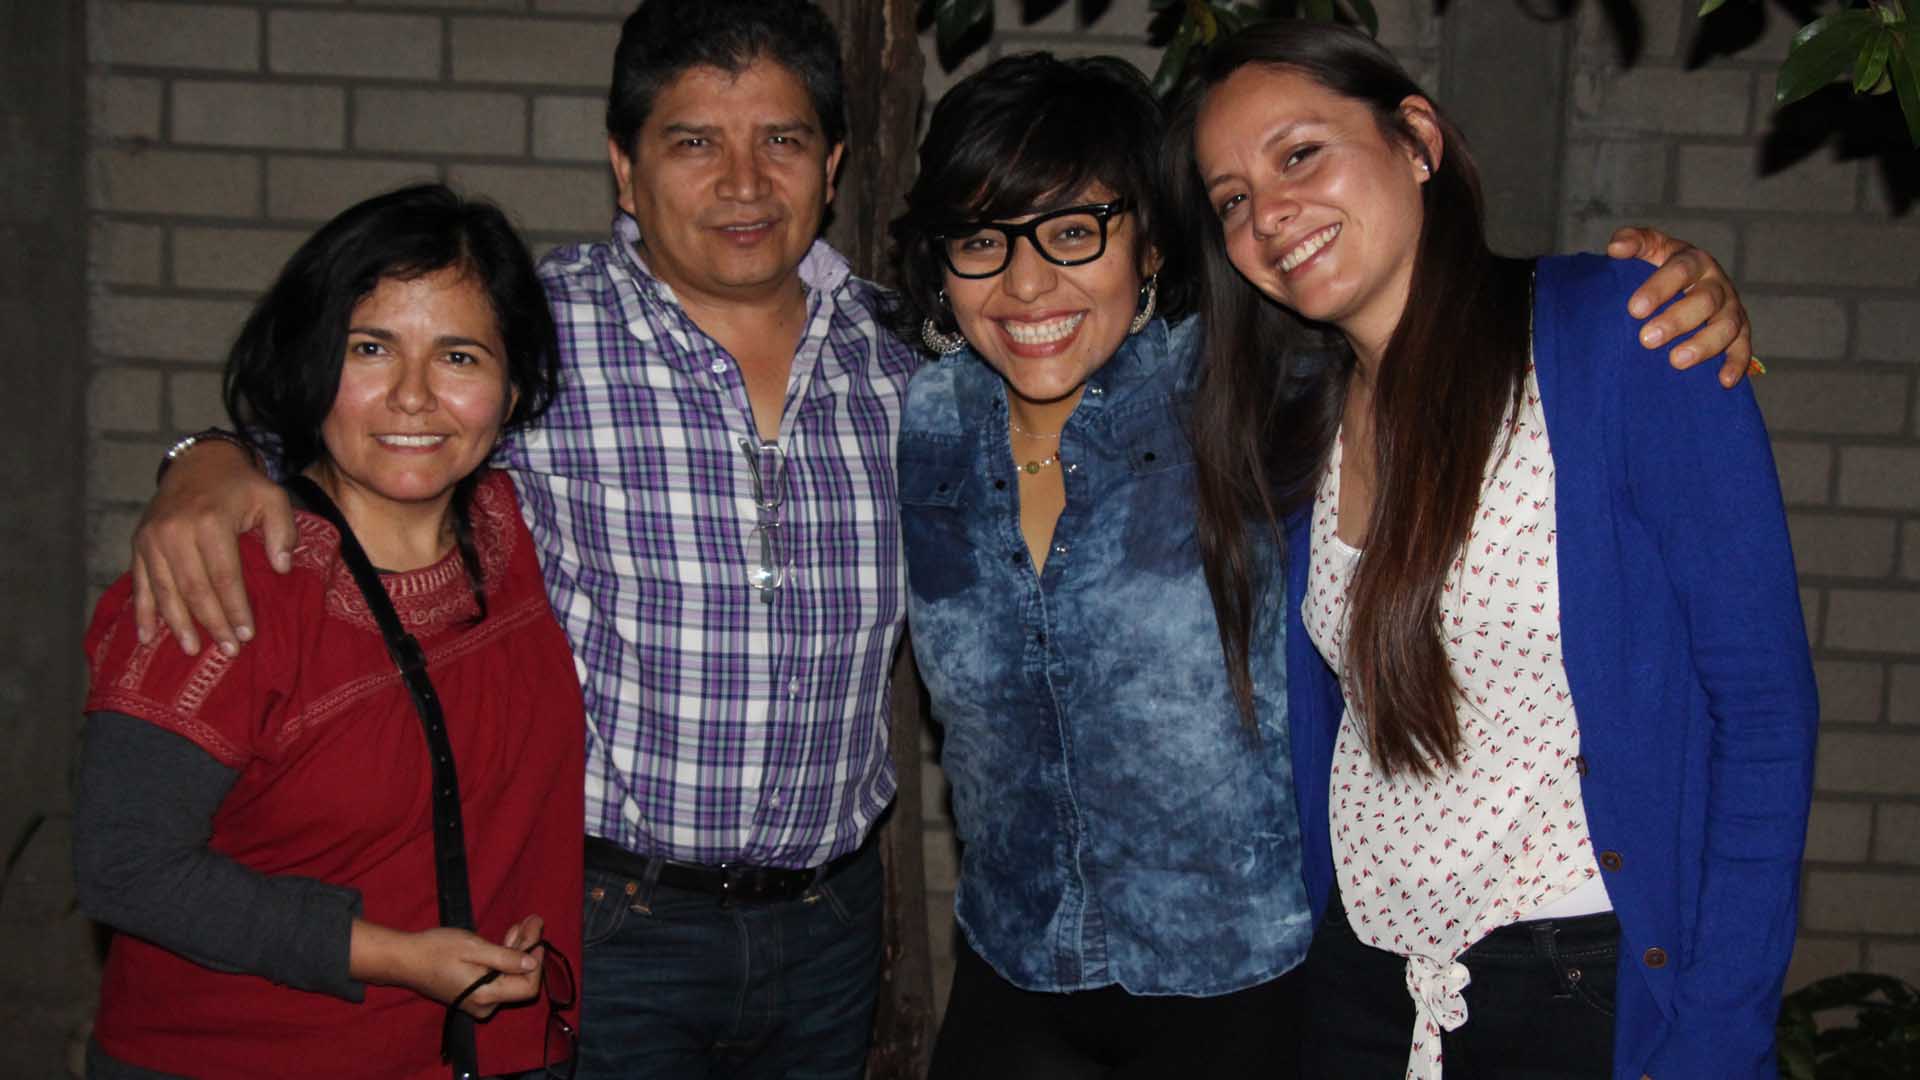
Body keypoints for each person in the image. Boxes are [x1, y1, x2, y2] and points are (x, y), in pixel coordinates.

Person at [887, 50, 1758, 1080]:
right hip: (1015, 968)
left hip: (1248, 987)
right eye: (980, 241)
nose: (1027, 281)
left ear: (1151, 244)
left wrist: (1674, 294)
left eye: (1074, 231)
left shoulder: (1257, 389)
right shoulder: (918, 418)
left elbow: (1432, 313)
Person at [118, 1, 912, 1076]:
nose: (743, 183)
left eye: (782, 139)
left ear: (833, 164)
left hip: (831, 924)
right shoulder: (531, 330)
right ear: (624, 168)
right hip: (610, 921)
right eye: (694, 142)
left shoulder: (904, 363)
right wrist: (202, 458)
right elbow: (330, 426)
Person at [1173, 21, 1817, 1080]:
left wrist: (1717, 1034)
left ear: (1417, 141)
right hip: (1363, 978)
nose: (1269, 213)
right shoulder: (1293, 419)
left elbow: (1763, 715)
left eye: (1301, 154)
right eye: (1232, 198)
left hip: (1578, 983)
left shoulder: (1621, 334)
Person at [74, 184, 580, 1079]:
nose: (414, 396)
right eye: (370, 348)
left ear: (509, 390)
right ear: (312, 362)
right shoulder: (226, 579)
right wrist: (395, 956)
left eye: (459, 356)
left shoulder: (520, 530)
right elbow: (125, 866)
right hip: (232, 1061)